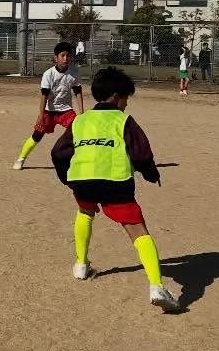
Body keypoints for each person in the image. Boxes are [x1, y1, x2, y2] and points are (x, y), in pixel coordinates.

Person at [50, 66, 184, 314]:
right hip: (115, 183)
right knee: (138, 231)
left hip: (83, 181)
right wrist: (151, 173)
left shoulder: (80, 121)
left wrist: (67, 178)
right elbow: (141, 152)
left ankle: (81, 264)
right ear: (116, 96)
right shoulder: (123, 121)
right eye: (125, 100)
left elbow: (58, 152)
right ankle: (156, 286)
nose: (126, 105)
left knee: (85, 212)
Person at [13, 42, 84, 170]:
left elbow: (78, 92)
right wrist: (41, 115)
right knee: (37, 135)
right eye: (62, 55)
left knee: (78, 131)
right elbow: (44, 95)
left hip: (66, 110)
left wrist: (82, 113)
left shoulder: (74, 72)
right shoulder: (48, 74)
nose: (65, 58)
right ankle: (21, 158)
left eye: (68, 55)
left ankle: (78, 161)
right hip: (49, 111)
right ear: (56, 58)